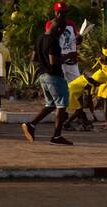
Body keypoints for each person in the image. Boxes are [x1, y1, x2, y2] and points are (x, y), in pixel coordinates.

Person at [23, 13, 72, 146]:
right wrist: (66, 57)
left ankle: (31, 124)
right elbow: (53, 61)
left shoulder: (40, 38)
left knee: (50, 104)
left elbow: (34, 58)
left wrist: (43, 59)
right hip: (54, 76)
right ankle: (57, 136)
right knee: (62, 105)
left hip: (42, 76)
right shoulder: (53, 41)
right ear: (60, 29)